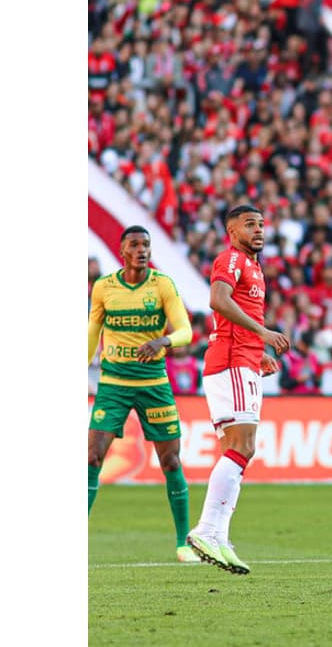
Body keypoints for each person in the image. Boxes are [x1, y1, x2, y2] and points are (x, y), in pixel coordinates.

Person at [186, 205, 290, 575]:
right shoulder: (231, 259)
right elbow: (217, 299)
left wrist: (257, 350)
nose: (259, 230)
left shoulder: (255, 267)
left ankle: (219, 535)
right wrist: (262, 334)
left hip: (242, 360)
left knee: (238, 448)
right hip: (230, 362)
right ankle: (206, 530)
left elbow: (234, 312)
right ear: (232, 231)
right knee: (243, 446)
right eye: (250, 225)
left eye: (262, 224)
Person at [88, 226, 200, 563]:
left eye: (146, 244)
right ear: (122, 250)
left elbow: (185, 330)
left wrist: (163, 341)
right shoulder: (104, 287)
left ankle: (183, 543)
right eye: (135, 245)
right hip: (114, 384)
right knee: (92, 457)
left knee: (170, 461)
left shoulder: (162, 284)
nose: (142, 250)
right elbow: (93, 331)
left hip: (154, 384)